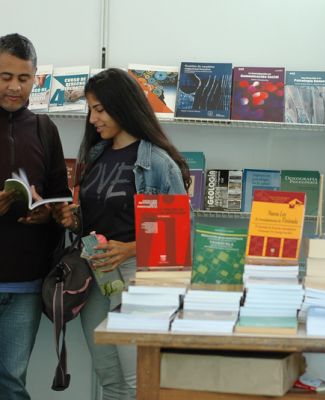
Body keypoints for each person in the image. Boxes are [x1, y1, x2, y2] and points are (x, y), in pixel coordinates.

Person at [53, 67, 190, 400]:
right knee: (109, 378)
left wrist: (130, 249)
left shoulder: (156, 163)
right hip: (94, 272)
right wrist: (73, 219)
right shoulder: (96, 156)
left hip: (136, 276)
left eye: (99, 110)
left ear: (123, 106)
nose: (93, 119)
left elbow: (176, 238)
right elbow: (97, 218)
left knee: (136, 381)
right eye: (90, 110)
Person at [0, 33, 70, 400]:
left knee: (12, 382)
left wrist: (49, 213)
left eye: (23, 78)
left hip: (26, 283)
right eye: (5, 76)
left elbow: (63, 197)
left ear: (35, 78)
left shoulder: (46, 129)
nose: (14, 87)